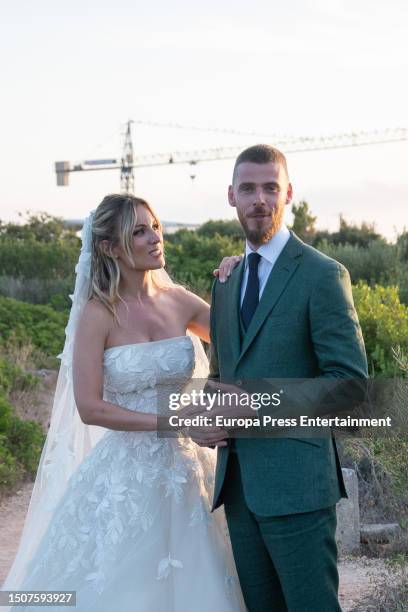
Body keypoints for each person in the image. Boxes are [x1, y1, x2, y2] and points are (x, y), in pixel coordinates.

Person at [1, 194, 246, 611]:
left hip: (189, 469)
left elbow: (244, 338)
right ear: (110, 247)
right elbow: (90, 407)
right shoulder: (97, 316)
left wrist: (239, 275)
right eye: (139, 231)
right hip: (125, 476)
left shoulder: (181, 302)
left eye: (155, 227)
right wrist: (171, 421)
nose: (155, 238)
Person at [190, 145, 369, 612]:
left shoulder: (323, 275)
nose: (260, 199)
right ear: (231, 196)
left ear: (288, 193)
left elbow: (349, 383)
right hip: (239, 486)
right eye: (248, 188)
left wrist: (256, 404)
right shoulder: (225, 281)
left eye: (271, 187)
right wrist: (206, 417)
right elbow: (220, 375)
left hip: (298, 486)